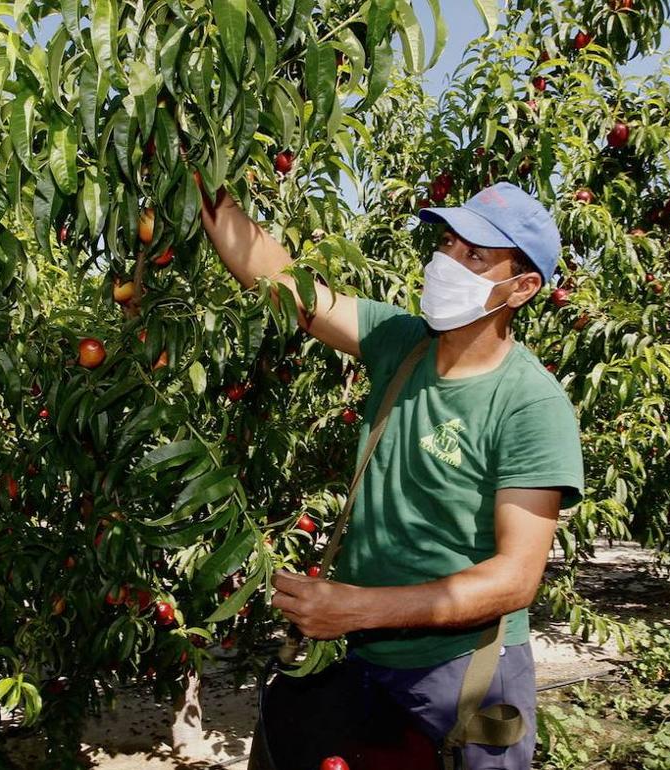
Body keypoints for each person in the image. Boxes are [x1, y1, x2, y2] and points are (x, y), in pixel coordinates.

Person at [199, 180, 584, 768]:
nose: (447, 262)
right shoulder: (401, 343)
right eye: (448, 244)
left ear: (523, 287)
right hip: (362, 656)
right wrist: (202, 176)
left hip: (466, 670)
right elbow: (287, 287)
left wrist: (357, 609)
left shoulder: (530, 404)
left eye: (475, 255)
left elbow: (514, 580)